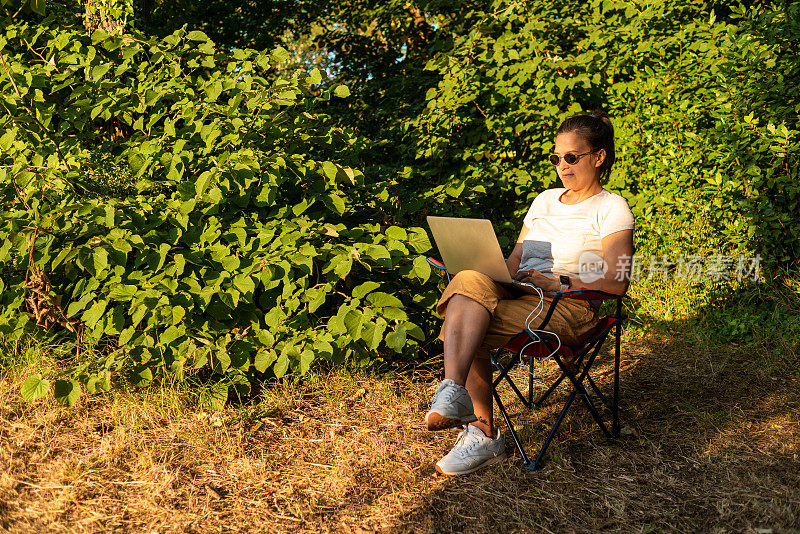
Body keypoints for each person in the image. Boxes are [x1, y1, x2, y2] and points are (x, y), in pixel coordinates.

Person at [425, 111, 635, 476]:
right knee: (468, 284)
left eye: (571, 157)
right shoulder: (544, 200)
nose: (562, 167)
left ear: (598, 157)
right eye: (557, 158)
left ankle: (482, 429)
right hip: (520, 292)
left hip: (568, 305)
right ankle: (455, 392)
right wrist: (484, 270)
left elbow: (618, 282)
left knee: (470, 319)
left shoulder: (611, 207)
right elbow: (515, 260)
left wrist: (559, 283)